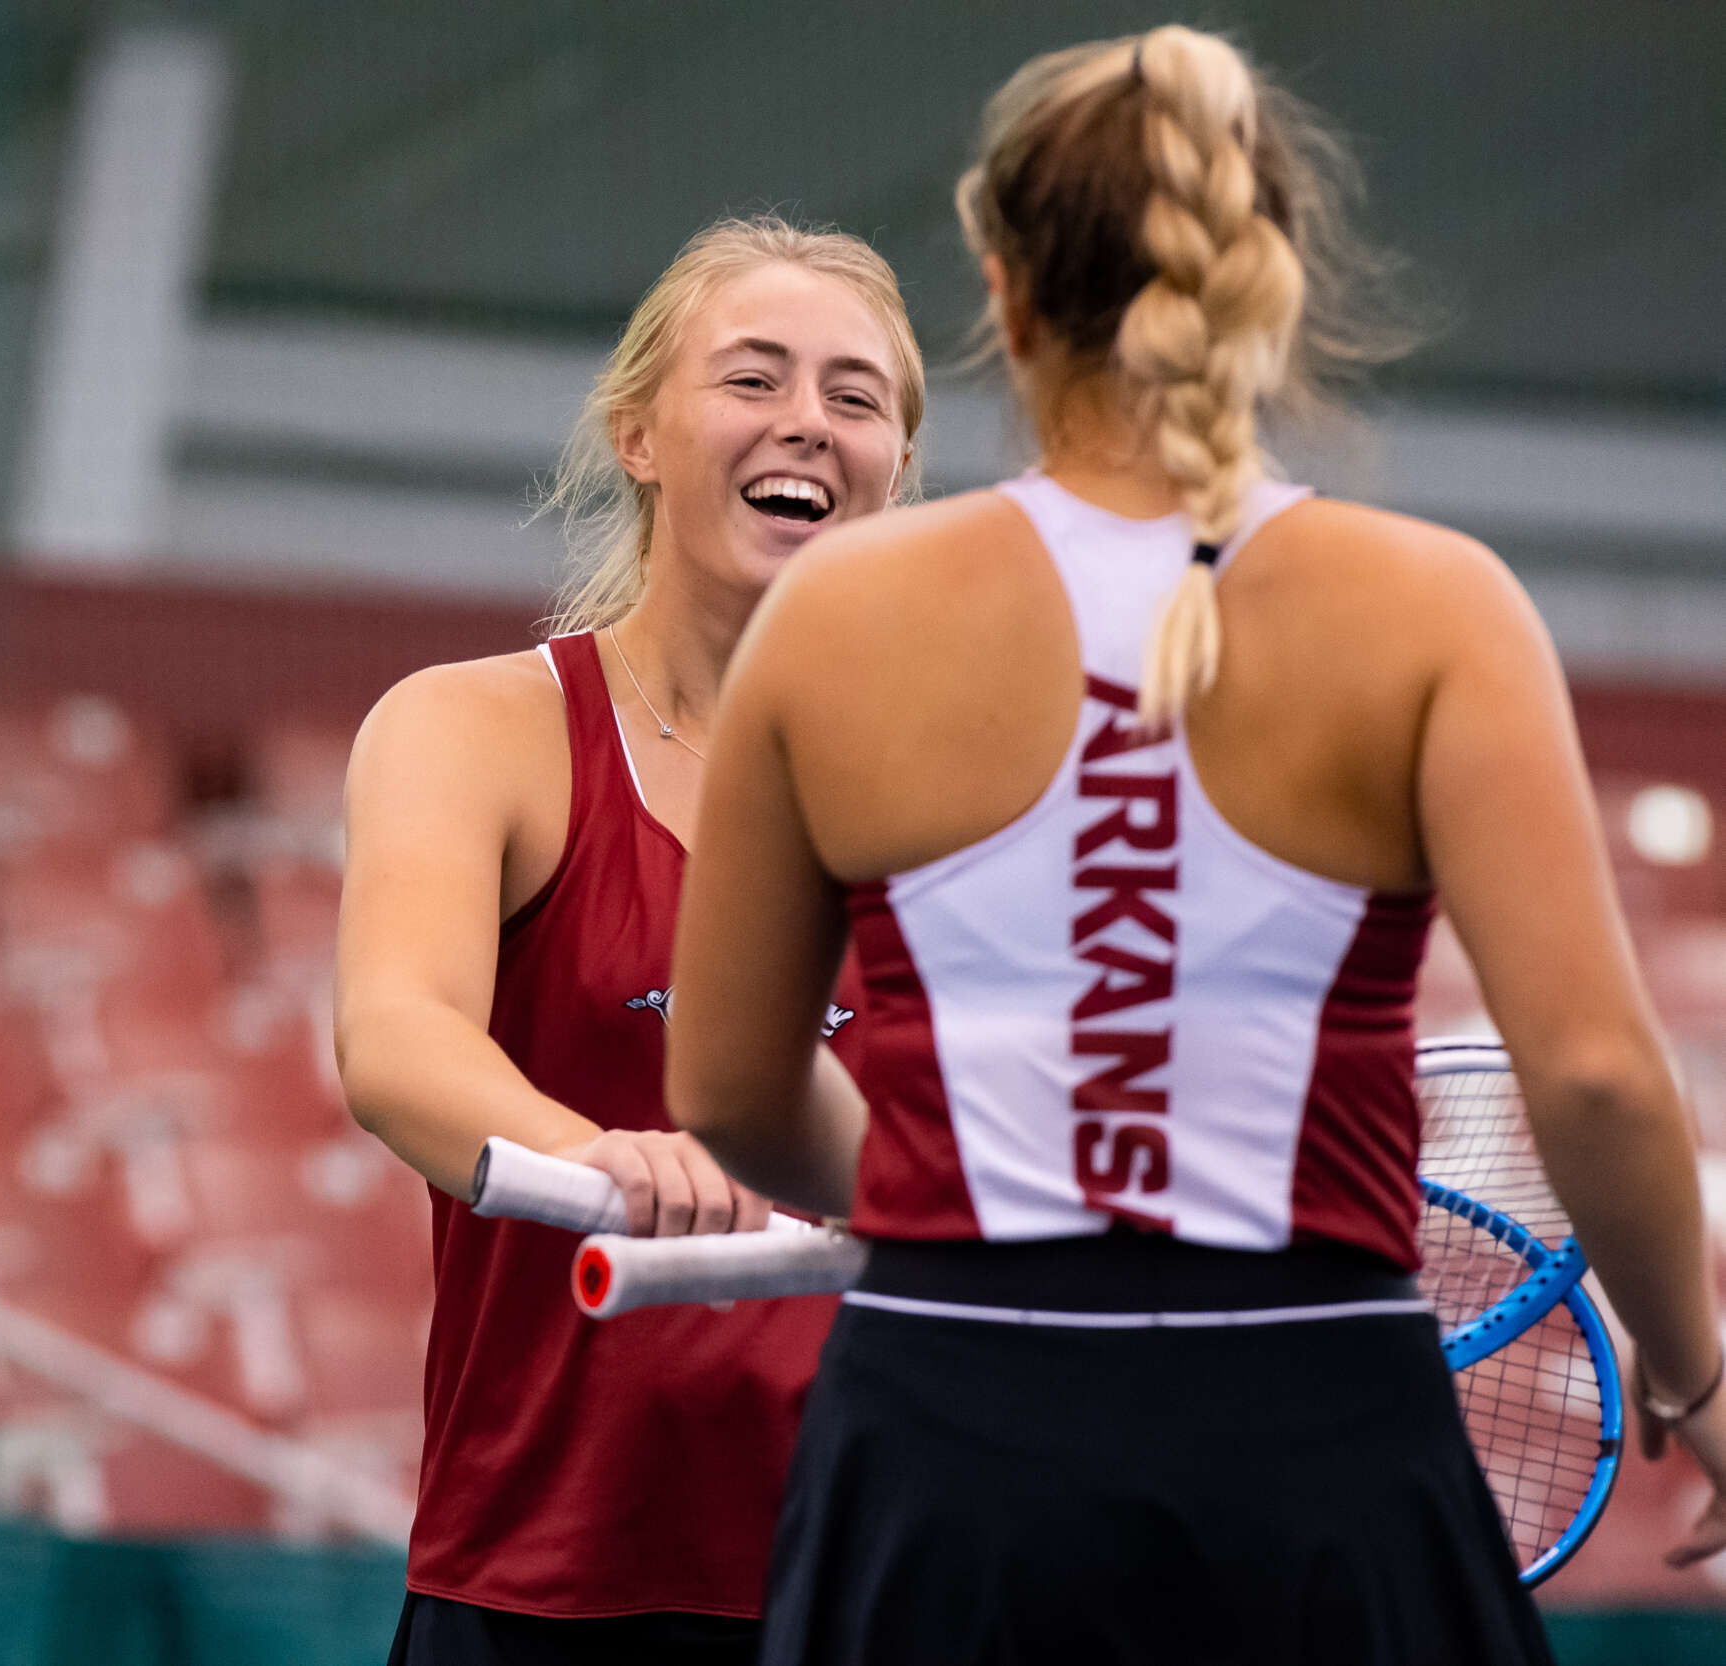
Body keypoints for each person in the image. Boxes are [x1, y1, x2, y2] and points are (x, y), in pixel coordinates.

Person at [662, 27, 1726, 1666]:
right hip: (1322, 1442)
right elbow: (1590, 1074)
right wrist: (1697, 1366)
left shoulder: (836, 619)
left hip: (947, 1445)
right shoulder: (1436, 608)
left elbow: (728, 1089)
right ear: (1271, 291)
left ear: (1005, 295)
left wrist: (947, 1187)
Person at [334, 215, 926, 1664]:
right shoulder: (471, 728)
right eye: (755, 379)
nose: (808, 423)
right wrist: (603, 1153)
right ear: (639, 434)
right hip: (536, 1593)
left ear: (895, 467)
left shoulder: (972, 783)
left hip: (883, 1586)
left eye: (856, 398)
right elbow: (398, 1042)